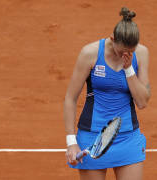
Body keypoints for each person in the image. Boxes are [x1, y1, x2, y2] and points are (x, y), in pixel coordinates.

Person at [63, 7, 150, 180]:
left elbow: (142, 102)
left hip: (128, 136)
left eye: (130, 52)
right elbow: (70, 99)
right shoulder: (90, 53)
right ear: (112, 39)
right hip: (92, 136)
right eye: (121, 51)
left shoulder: (141, 54)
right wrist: (71, 143)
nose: (125, 55)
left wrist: (128, 69)